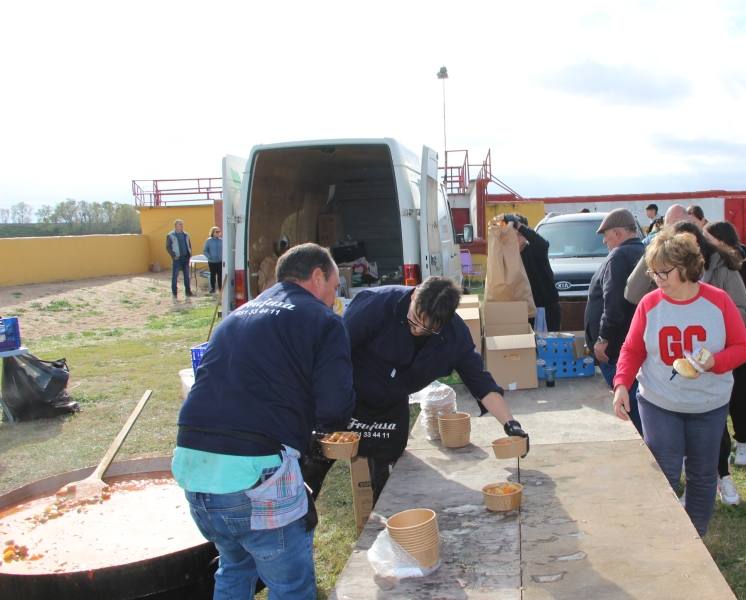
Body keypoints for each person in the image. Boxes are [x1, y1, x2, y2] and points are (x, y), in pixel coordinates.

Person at [172, 243, 355, 598]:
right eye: (334, 288)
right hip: (255, 476)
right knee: (291, 588)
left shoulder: (238, 315)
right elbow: (335, 411)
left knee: (235, 567)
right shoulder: (322, 320)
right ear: (317, 277)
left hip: (195, 472)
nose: (334, 298)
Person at [612, 230, 746, 536]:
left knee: (703, 473)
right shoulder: (649, 305)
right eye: (654, 272)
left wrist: (716, 362)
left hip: (709, 404)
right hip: (659, 401)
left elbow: (743, 348)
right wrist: (622, 384)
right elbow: (632, 348)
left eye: (665, 272)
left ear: (687, 267)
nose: (657, 278)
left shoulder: (719, 301)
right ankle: (663, 534)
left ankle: (695, 535)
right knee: (665, 470)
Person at [343, 277, 529, 501]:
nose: (416, 331)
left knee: (390, 469)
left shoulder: (454, 336)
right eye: (413, 321)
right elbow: (335, 351)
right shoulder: (375, 305)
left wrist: (511, 424)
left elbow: (480, 381)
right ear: (414, 296)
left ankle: (383, 512)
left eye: (426, 329)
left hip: (392, 400)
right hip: (352, 392)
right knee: (321, 454)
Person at [706, 221, 746, 480]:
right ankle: (723, 445)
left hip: (743, 340)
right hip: (717, 344)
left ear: (723, 242)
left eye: (709, 240)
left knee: (742, 392)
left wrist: (723, 323)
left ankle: (744, 440)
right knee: (721, 396)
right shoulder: (707, 265)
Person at [586, 208, 646, 435]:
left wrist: (603, 339)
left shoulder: (619, 256)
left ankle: (646, 444)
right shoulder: (643, 252)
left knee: (628, 399)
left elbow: (613, 304)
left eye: (607, 235)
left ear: (619, 233)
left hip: (617, 346)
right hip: (633, 341)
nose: (604, 241)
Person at [505, 214, 561, 331]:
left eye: (519, 234)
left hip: (544, 310)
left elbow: (543, 244)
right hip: (522, 310)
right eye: (513, 234)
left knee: (544, 346)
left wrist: (519, 226)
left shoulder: (534, 250)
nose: (516, 237)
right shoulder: (509, 256)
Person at [166, 219, 193, 298]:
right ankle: (174, 293)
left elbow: (189, 245)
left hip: (185, 258)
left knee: (187, 276)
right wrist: (174, 256)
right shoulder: (170, 235)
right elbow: (168, 247)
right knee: (175, 276)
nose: (181, 226)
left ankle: (188, 292)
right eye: (180, 224)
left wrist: (190, 253)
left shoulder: (186, 235)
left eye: (182, 224)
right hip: (177, 258)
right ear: (175, 226)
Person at [203, 226, 223, 294]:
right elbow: (205, 251)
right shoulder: (209, 241)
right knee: (213, 275)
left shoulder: (221, 241)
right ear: (213, 233)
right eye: (216, 232)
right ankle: (213, 288)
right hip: (212, 261)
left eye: (219, 232)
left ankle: (221, 288)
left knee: (220, 275)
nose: (218, 233)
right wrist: (209, 257)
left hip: (220, 261)